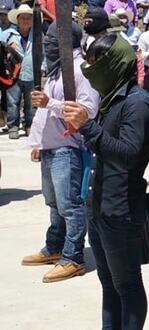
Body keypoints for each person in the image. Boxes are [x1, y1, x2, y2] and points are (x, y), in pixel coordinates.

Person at [62, 33, 149, 330]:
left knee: (127, 286)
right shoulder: (111, 100)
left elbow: (128, 155)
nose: (90, 70)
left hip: (121, 209)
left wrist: (88, 127)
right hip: (99, 205)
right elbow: (104, 148)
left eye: (95, 63)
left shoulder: (137, 104)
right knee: (108, 284)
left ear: (114, 64)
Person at [22, 23, 100, 282]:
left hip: (68, 148)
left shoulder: (80, 71)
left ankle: (73, 256)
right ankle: (55, 246)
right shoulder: (57, 70)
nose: (46, 44)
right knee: (54, 204)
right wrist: (38, 142)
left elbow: (88, 110)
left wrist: (51, 103)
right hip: (51, 147)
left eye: (51, 39)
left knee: (70, 205)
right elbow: (44, 111)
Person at [4, 3, 35, 138]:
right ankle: (13, 126)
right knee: (12, 101)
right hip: (12, 74)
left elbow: (43, 52)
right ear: (17, 20)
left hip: (32, 72)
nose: (26, 20)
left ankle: (29, 125)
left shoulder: (37, 35)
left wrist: (44, 66)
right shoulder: (7, 35)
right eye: (23, 18)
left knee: (31, 102)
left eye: (28, 18)